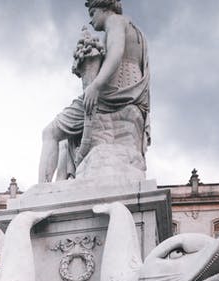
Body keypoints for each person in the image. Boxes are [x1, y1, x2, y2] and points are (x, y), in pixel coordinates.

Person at [39, 0, 149, 183]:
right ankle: (64, 178)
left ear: (104, 8)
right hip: (133, 97)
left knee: (50, 132)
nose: (91, 20)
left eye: (92, 13)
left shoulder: (115, 22)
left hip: (110, 95)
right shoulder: (137, 32)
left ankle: (41, 190)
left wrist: (95, 85)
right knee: (71, 137)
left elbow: (115, 52)